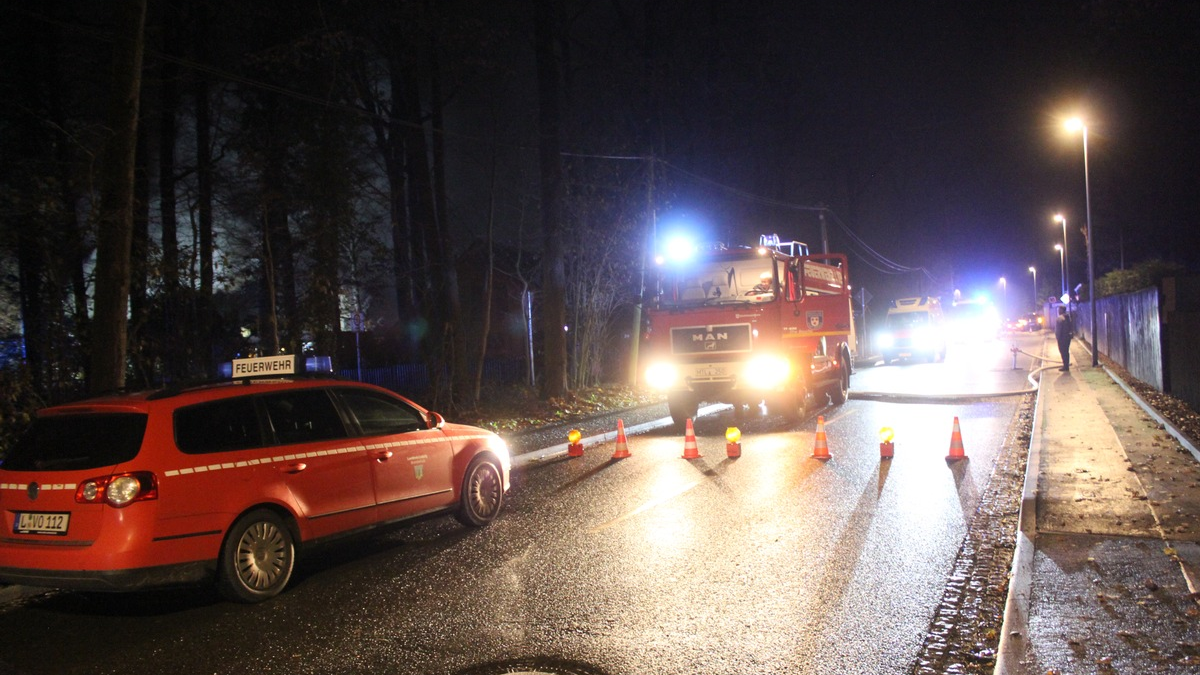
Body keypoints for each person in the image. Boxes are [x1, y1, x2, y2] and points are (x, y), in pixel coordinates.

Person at [1055, 307, 1074, 371]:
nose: (1058, 311)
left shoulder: (1060, 318)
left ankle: (1065, 366)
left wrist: (1057, 337)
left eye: (1059, 310)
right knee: (1066, 351)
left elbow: (1058, 330)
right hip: (1068, 337)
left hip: (1062, 338)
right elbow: (1071, 327)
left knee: (1063, 352)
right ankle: (1066, 366)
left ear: (1061, 310)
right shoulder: (1068, 317)